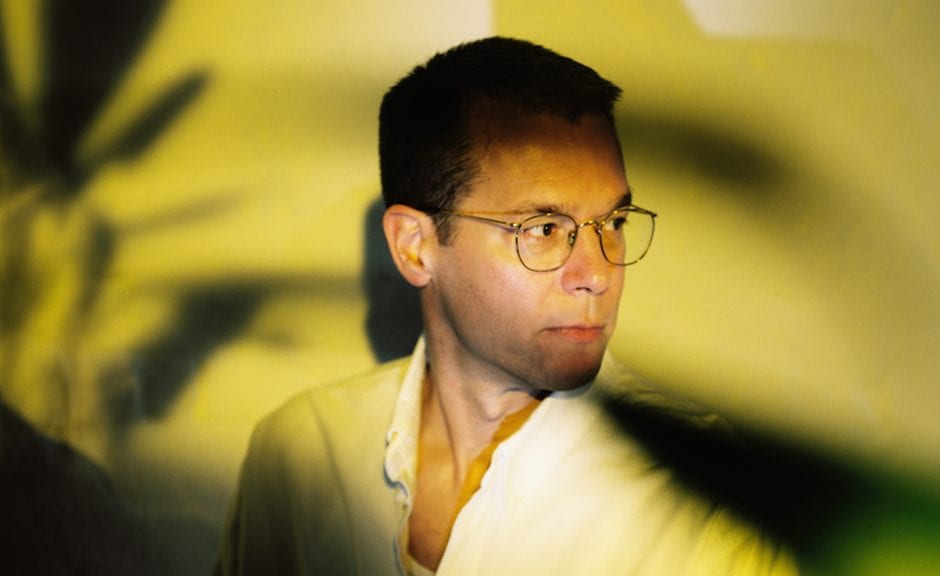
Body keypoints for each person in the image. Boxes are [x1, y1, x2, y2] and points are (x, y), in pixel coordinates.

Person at [215, 37, 797, 575]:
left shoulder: (703, 500)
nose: (597, 274)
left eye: (614, 222)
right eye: (543, 228)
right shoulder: (299, 454)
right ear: (415, 247)